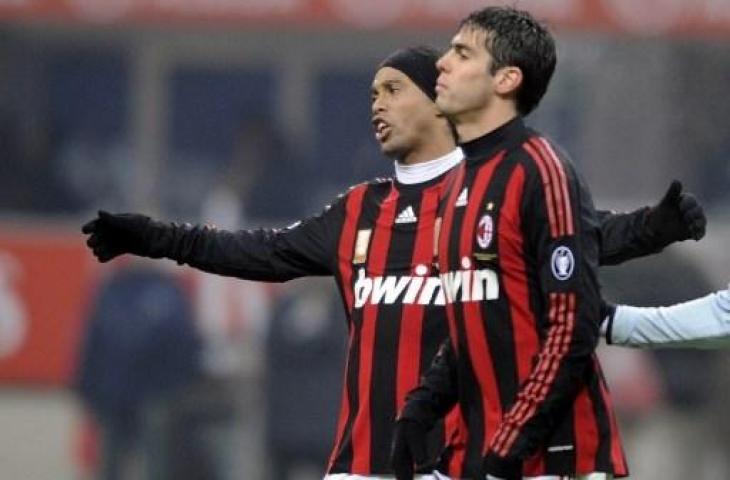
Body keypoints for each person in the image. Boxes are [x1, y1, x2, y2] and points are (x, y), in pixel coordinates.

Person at [81, 47, 705, 479]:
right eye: (371, 93)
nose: (376, 104)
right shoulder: (357, 210)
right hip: (361, 459)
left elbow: (578, 242)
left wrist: (656, 229)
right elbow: (255, 251)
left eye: (392, 89)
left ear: (439, 105)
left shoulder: (496, 193)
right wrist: (152, 236)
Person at [393, 7, 641, 479]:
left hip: (555, 459)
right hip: (478, 452)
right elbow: (477, 314)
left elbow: (571, 328)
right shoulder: (455, 182)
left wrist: (512, 444)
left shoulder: (541, 170)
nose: (441, 63)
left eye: (462, 53)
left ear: (506, 79)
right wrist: (423, 403)